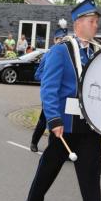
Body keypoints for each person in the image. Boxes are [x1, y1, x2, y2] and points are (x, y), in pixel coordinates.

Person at [25, 0, 101, 201]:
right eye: (91, 21)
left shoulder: (98, 52)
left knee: (90, 175)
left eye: (97, 21)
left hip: (90, 125)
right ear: (78, 24)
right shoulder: (61, 50)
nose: (96, 25)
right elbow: (49, 87)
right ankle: (33, 200)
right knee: (49, 167)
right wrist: (53, 120)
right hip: (65, 124)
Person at [30, 18, 68, 153]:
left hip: (63, 96)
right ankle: (34, 142)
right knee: (43, 120)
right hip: (51, 94)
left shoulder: (69, 54)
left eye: (64, 39)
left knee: (62, 121)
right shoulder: (49, 54)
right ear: (54, 40)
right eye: (59, 39)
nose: (61, 41)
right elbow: (38, 74)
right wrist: (49, 80)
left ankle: (58, 149)